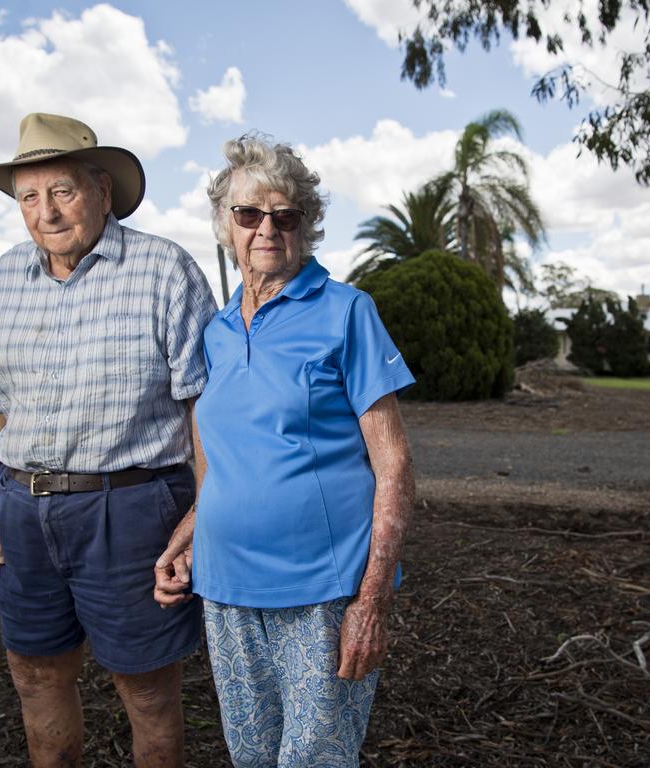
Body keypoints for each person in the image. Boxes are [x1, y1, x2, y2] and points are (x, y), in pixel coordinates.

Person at [0, 112, 215, 768]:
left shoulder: (164, 270)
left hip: (131, 510)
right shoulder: (4, 278)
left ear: (103, 190)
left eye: (62, 191)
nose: (45, 212)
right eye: (28, 197)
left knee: (148, 691)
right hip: (21, 511)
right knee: (35, 677)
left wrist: (203, 512)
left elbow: (204, 403)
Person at [154, 134, 416, 767]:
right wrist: (187, 534)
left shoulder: (346, 311)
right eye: (249, 215)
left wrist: (373, 597)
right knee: (252, 755)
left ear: (306, 226)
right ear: (226, 226)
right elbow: (221, 461)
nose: (266, 228)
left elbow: (395, 464)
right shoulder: (215, 331)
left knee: (314, 759)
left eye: (285, 215)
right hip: (226, 586)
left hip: (324, 590)